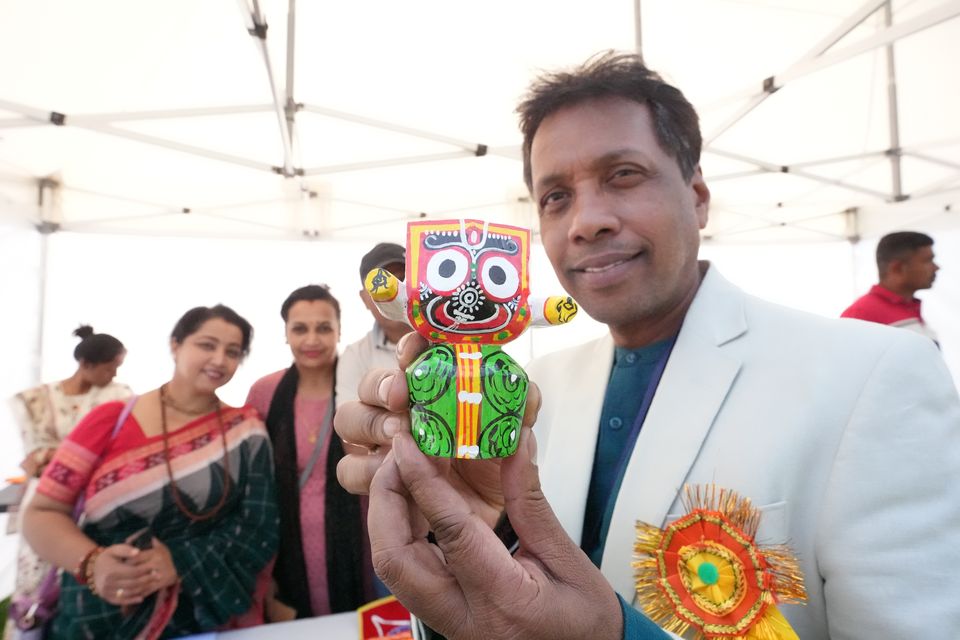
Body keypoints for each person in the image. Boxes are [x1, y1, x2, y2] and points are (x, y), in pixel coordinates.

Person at [334, 52, 960, 640]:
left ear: (698, 196)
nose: (586, 221)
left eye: (623, 175)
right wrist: (463, 539)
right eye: (556, 197)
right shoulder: (534, 388)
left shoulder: (874, 377)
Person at [22, 305, 279, 639]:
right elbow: (42, 512)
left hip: (199, 616)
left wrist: (179, 562)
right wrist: (92, 562)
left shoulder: (246, 430)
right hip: (97, 614)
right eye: (206, 345)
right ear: (175, 345)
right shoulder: (110, 420)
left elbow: (259, 528)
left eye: (232, 352)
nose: (219, 359)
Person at [246, 285, 373, 620]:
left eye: (324, 327)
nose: (312, 340)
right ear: (285, 333)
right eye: (300, 329)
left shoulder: (357, 387)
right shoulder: (265, 392)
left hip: (360, 538)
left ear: (339, 331)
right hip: (286, 543)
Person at [6, 325, 131, 639]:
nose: (113, 375)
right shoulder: (34, 400)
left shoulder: (120, 397)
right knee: (37, 584)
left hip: (95, 506)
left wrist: (56, 456)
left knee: (84, 578)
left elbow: (119, 450)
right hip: (46, 505)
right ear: (86, 365)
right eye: (109, 368)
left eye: (117, 369)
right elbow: (33, 458)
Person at [336, 242, 413, 405]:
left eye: (401, 281)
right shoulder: (355, 354)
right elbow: (347, 416)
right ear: (364, 298)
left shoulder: (448, 337)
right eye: (378, 285)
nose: (391, 293)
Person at [841, 231, 939, 342]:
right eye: (927, 261)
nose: (936, 267)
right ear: (897, 268)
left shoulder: (908, 307)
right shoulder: (861, 314)